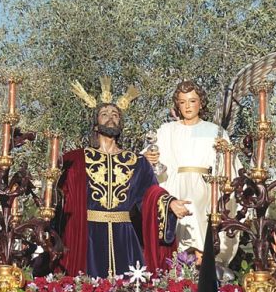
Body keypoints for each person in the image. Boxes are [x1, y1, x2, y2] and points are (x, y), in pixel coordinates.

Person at [57, 78, 191, 278]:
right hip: (89, 236)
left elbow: (149, 193)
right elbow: (60, 197)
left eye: (115, 114)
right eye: (104, 114)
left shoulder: (136, 161)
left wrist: (169, 203)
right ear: (95, 125)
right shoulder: (77, 159)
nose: (111, 117)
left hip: (125, 237)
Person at [145, 80, 241, 265]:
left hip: (206, 188)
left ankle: (202, 266)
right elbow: (150, 154)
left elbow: (229, 165)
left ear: (201, 102)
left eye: (192, 101)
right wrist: (150, 157)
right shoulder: (167, 130)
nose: (187, 106)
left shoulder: (215, 131)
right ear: (177, 105)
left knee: (203, 228)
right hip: (175, 185)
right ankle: (179, 272)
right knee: (179, 226)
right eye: (182, 102)